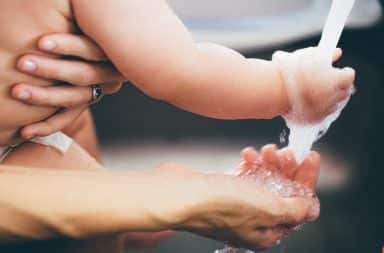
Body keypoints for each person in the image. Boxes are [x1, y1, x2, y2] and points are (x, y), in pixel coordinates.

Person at [0, 0, 354, 250]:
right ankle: (108, 232)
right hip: (18, 155)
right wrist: (289, 87)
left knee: (68, 128)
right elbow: (187, 73)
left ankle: (119, 222)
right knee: (70, 171)